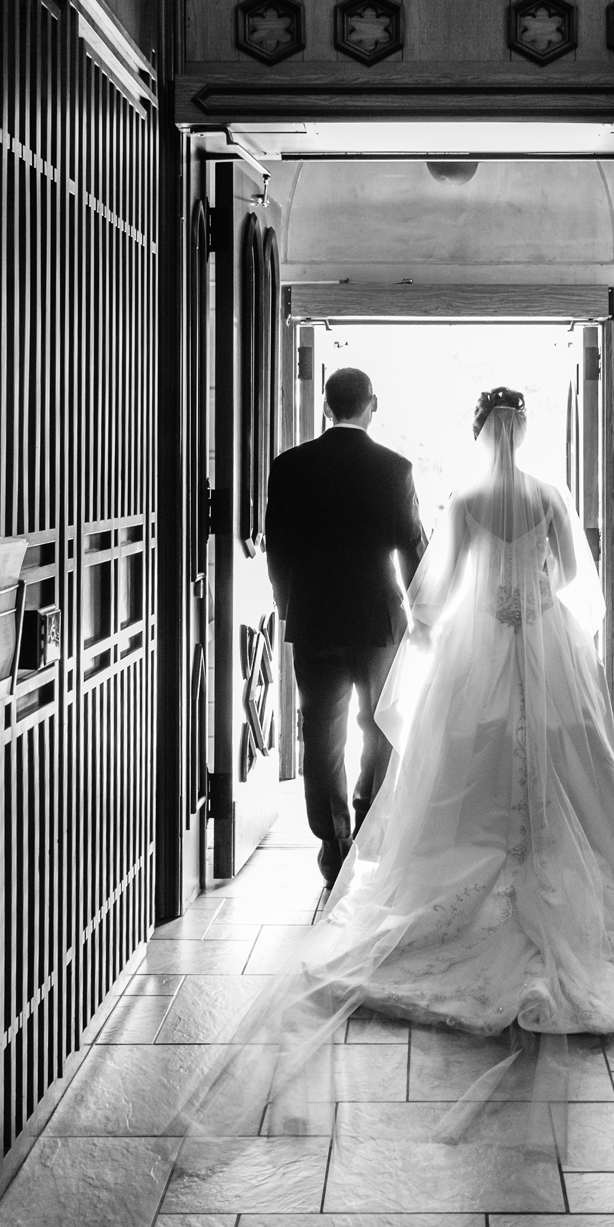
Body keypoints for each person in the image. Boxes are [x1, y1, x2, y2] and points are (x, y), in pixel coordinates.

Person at [169, 388, 614, 1169]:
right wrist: (531, 601)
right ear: (526, 433)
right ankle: (551, 856)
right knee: (572, 767)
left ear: (479, 434)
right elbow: (577, 575)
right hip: (544, 642)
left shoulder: (465, 497)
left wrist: (445, 621)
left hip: (465, 644)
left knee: (428, 761)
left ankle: (351, 851)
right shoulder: (548, 495)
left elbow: (433, 588)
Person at [264, 367, 427, 888]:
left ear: (327, 407)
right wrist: (421, 608)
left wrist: (289, 605)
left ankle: (333, 845)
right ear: (371, 404)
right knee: (378, 726)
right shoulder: (393, 468)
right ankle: (364, 826)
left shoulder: (289, 466)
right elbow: (411, 547)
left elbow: (278, 547)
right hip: (378, 621)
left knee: (321, 735)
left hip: (313, 620)